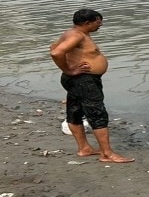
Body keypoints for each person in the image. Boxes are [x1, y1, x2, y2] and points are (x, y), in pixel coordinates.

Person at [49, 9, 133, 163]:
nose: (100, 25)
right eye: (98, 22)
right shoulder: (77, 35)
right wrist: (69, 69)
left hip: (77, 79)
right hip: (83, 80)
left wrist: (69, 67)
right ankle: (106, 154)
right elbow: (56, 53)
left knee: (75, 111)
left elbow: (53, 46)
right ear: (87, 23)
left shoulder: (70, 33)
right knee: (97, 113)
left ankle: (84, 148)